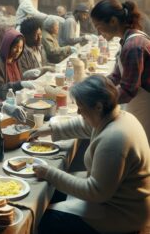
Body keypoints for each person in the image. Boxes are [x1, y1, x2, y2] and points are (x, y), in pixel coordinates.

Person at [31, 75, 150, 234]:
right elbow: (84, 125)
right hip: (114, 199)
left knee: (44, 220)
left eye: (81, 107)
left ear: (98, 106)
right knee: (52, 190)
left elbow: (95, 191)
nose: (79, 111)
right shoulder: (115, 116)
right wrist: (50, 129)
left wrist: (48, 172)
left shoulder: (115, 138)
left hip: (122, 214)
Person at [91, 0, 150, 145]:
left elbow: (127, 90)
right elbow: (116, 76)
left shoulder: (133, 46)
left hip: (144, 104)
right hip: (138, 102)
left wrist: (98, 105)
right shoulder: (127, 40)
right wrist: (95, 87)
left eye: (99, 27)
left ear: (112, 21)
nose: (98, 32)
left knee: (138, 147)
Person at [0, 29, 35, 101]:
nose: (18, 51)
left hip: (18, 97)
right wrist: (19, 84)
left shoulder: (15, 59)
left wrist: (27, 75)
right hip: (5, 101)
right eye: (15, 47)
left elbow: (19, 80)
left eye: (21, 48)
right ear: (7, 46)